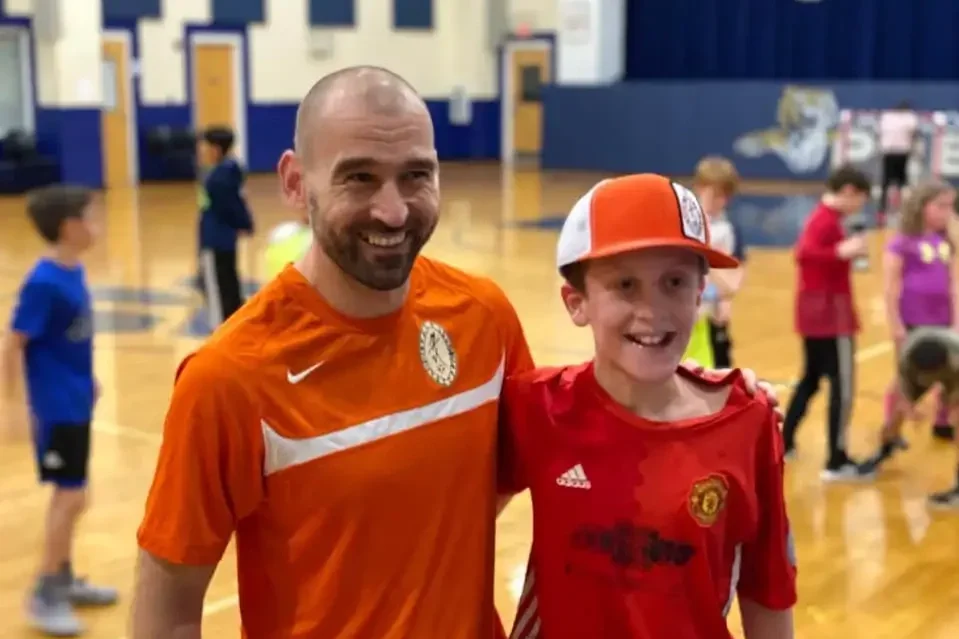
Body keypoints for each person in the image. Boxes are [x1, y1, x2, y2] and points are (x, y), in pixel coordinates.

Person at [130, 66, 783, 638]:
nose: (392, 210)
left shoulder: (481, 319)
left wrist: (712, 401)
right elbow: (169, 608)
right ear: (296, 183)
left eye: (415, 175)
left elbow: (580, 427)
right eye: (359, 177)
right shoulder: (228, 377)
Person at [499, 174, 796, 639]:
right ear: (576, 303)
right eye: (625, 285)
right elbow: (452, 525)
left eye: (674, 282)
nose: (652, 310)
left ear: (700, 292)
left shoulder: (747, 420)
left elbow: (768, 590)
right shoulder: (535, 407)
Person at [1, 185, 118, 636]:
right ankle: (43, 593)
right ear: (70, 227)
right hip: (54, 409)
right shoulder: (44, 282)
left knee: (74, 494)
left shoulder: (73, 271)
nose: (99, 225)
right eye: (92, 217)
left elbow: (67, 338)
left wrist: (86, 377)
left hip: (75, 400)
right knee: (69, 497)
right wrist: (12, 406)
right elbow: (13, 343)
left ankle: (64, 578)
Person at [859, 182, 958, 476]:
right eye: (939, 206)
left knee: (952, 385)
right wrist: (896, 325)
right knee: (906, 388)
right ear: (921, 206)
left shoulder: (947, 239)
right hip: (914, 325)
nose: (945, 213)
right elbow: (891, 288)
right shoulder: (903, 241)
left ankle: (942, 424)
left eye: (950, 207)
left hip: (944, 325)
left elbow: (954, 284)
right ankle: (888, 438)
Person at [781, 166, 871, 480]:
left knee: (811, 379)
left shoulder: (825, 218)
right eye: (860, 198)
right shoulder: (825, 219)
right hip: (831, 316)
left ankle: (784, 440)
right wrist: (839, 251)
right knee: (842, 386)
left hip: (815, 312)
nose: (861, 205)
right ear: (848, 191)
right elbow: (804, 253)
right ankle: (837, 459)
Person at [867, 327, 959, 507]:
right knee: (896, 415)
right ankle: (886, 446)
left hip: (954, 376)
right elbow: (902, 396)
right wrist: (910, 410)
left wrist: (948, 407)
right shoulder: (907, 357)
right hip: (917, 371)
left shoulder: (956, 357)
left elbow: (953, 402)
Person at [691, 156, 747, 368]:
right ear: (699, 187)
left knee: (719, 372)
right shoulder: (685, 222)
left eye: (725, 196)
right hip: (684, 315)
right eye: (714, 194)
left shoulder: (729, 229)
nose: (719, 202)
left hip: (712, 315)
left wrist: (725, 302)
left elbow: (733, 279)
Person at [196, 125, 254, 327]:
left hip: (215, 241)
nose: (201, 152)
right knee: (228, 285)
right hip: (225, 240)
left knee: (217, 291)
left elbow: (230, 205)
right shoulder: (226, 171)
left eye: (204, 147)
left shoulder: (218, 177)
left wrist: (244, 222)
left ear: (216, 149)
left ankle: (221, 334)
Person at [877, 101, 918, 219]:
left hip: (888, 152)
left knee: (886, 181)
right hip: (902, 152)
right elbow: (914, 133)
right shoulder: (909, 118)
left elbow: (880, 133)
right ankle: (901, 205)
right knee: (902, 181)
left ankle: (882, 207)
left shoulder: (886, 117)